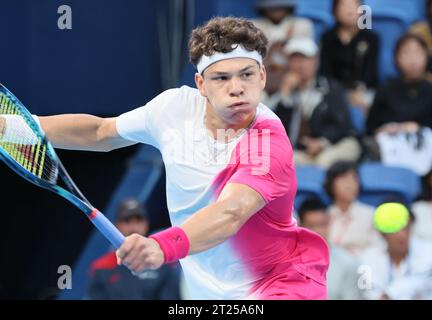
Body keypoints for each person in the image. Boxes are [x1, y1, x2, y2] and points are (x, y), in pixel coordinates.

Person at [1, 17, 329, 299]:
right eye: (222, 78)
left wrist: (161, 247)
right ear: (201, 83)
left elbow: (231, 213)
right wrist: (11, 127)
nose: (237, 88)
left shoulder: (267, 141)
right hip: (210, 290)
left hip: (282, 283)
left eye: (247, 75)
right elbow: (100, 133)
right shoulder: (172, 109)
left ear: (263, 77)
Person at [265, 37, 360, 168]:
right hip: (302, 151)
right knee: (285, 163)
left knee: (324, 161)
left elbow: (342, 125)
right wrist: (285, 93)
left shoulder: (331, 88)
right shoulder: (282, 93)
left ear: (316, 60)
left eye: (305, 58)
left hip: (336, 144)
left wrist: (321, 143)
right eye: (295, 59)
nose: (300, 64)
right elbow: (276, 130)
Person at [87, 199, 181, 300]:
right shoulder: (100, 267)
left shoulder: (163, 262)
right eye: (127, 221)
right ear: (117, 225)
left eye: (138, 220)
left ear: (146, 224)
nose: (134, 227)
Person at [365, 34, 432, 176]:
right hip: (390, 145)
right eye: (406, 53)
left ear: (426, 57)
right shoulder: (386, 89)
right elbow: (371, 125)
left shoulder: (430, 90)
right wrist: (384, 129)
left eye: (418, 52)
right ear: (397, 58)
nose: (413, 59)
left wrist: (418, 127)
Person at [360, 202, 432, 300]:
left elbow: (423, 282)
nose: (401, 234)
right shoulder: (367, 257)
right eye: (395, 228)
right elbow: (366, 292)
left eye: (405, 228)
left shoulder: (428, 252)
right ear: (382, 233)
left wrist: (389, 294)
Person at [320, 0, 379, 112]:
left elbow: (371, 71)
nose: (349, 9)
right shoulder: (328, 38)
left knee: (369, 103)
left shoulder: (370, 38)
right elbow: (325, 70)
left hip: (363, 90)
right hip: (333, 91)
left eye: (354, 5)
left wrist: (360, 89)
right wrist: (339, 93)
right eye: (344, 5)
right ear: (335, 11)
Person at [298, 198, 363, 300]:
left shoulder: (348, 263)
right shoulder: (284, 263)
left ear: (329, 224)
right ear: (300, 228)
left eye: (322, 225)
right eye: (312, 226)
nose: (318, 231)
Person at [252, 0, 314, 95]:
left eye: (280, 5)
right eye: (272, 6)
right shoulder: (254, 26)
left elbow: (308, 60)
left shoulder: (302, 25)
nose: (277, 9)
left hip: (295, 82)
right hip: (264, 83)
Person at [324, 161, 383, 256]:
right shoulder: (324, 216)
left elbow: (378, 249)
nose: (350, 185)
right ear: (331, 184)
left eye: (354, 178)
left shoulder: (371, 215)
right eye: (344, 179)